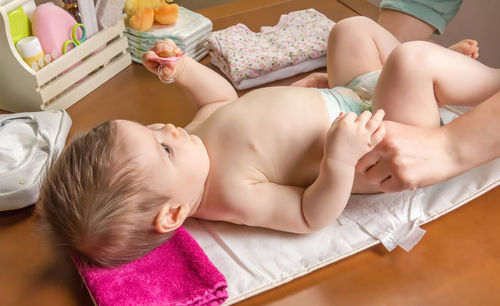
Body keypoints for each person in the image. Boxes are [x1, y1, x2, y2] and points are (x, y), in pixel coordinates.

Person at [38, 16, 498, 267]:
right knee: (411, 63)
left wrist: (184, 71)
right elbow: (308, 215)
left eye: (150, 127)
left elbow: (221, 100)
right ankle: (472, 82)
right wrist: (338, 160)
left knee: (348, 31)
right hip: (380, 141)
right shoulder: (231, 194)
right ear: (173, 213)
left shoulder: (194, 142)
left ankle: (446, 76)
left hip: (349, 98)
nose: (168, 130)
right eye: (162, 147)